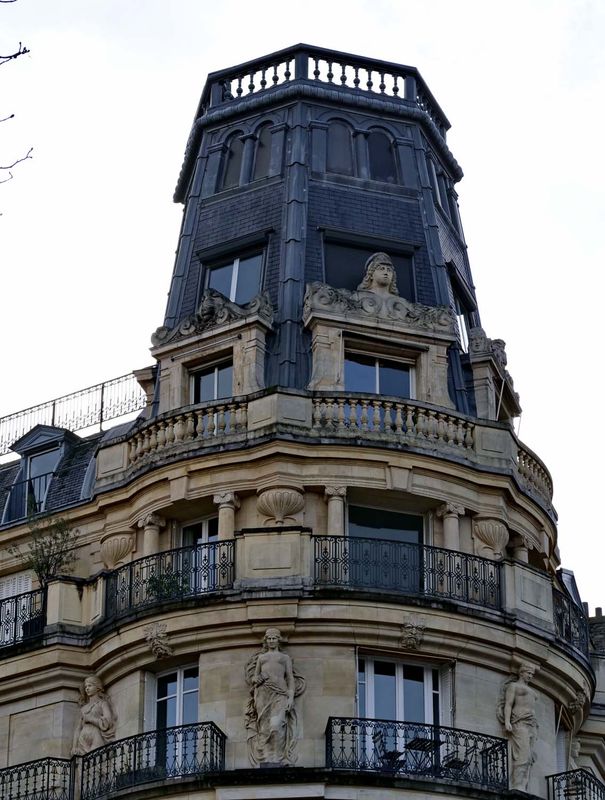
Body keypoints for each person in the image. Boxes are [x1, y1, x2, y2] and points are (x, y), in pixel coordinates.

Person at [245, 628, 305, 766]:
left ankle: (278, 757)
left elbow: (290, 678)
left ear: (279, 640)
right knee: (264, 728)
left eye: (274, 638)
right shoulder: (262, 658)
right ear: (266, 640)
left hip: (280, 694)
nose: (271, 641)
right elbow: (254, 677)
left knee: (276, 726)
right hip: (263, 694)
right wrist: (257, 679)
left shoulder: (284, 658)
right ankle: (267, 758)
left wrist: (290, 697)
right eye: (269, 638)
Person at [499, 664, 538, 791]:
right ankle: (517, 784)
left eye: (532, 674)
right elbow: (508, 704)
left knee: (530, 757)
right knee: (523, 755)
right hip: (519, 723)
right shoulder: (514, 686)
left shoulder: (532, 691)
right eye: (529, 673)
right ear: (521, 673)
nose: (531, 676)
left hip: (531, 725)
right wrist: (507, 721)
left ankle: (523, 784)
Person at [72, 674, 116, 755]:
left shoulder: (102, 703)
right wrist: (74, 746)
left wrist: (90, 719)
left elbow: (108, 722)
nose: (87, 689)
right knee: (83, 764)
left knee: (96, 761)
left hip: (96, 735)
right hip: (83, 737)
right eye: (85, 687)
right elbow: (78, 728)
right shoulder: (83, 708)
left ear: (97, 687)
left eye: (90, 686)